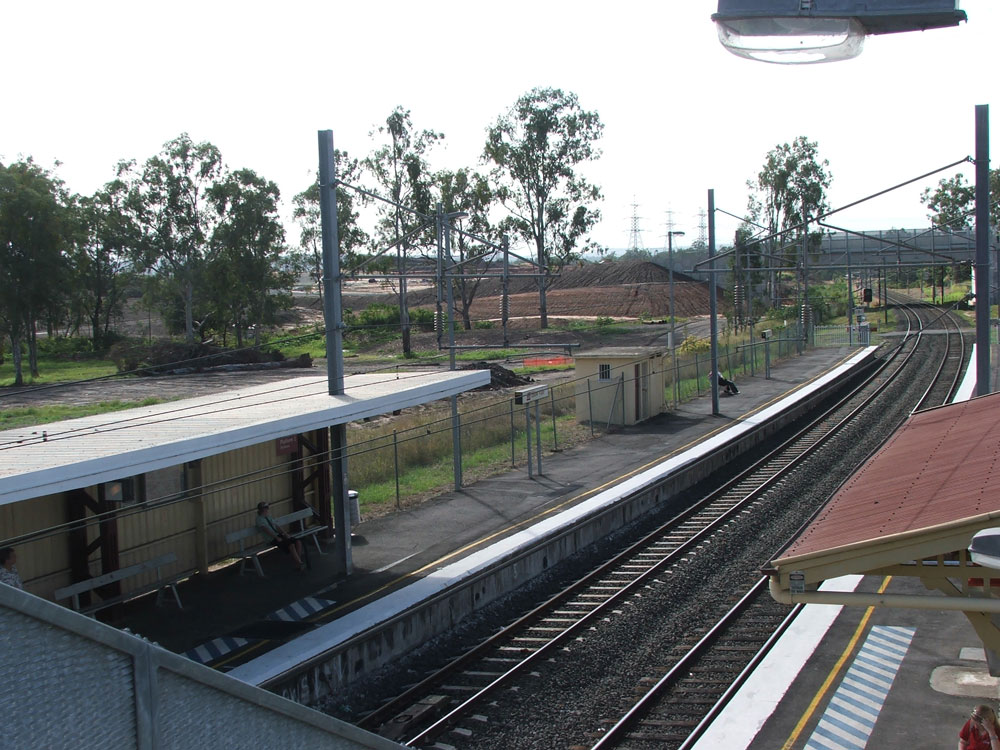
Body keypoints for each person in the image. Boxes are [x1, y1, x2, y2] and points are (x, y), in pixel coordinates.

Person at [255, 503, 307, 572]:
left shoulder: (268, 516)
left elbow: (276, 526)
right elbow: (266, 530)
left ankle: (298, 561)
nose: (268, 508)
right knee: (291, 545)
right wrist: (276, 537)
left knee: (298, 542)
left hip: (278, 535)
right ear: (262, 509)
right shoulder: (259, 519)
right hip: (271, 538)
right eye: (266, 507)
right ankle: (299, 563)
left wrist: (285, 533)